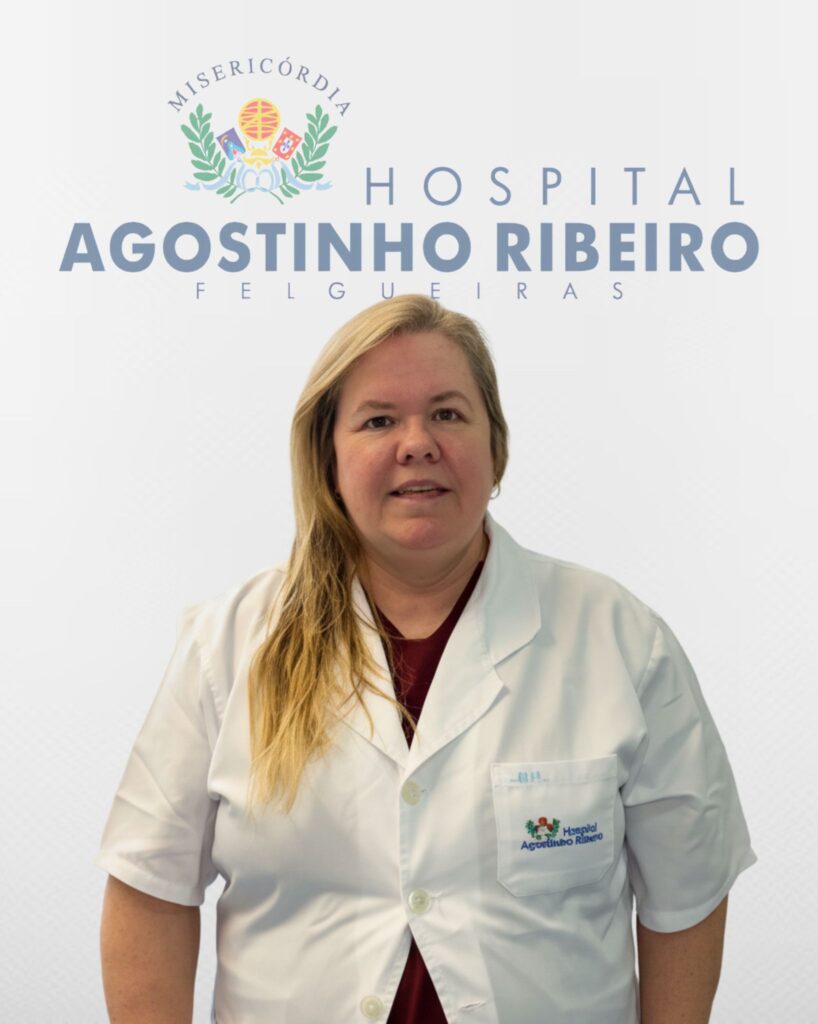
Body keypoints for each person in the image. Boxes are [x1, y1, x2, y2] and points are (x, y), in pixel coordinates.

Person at [96, 294, 757, 1024]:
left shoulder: (619, 639)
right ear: (328, 457)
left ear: (495, 445)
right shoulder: (227, 647)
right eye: (379, 420)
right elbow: (150, 889)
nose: (417, 444)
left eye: (447, 413)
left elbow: (687, 894)